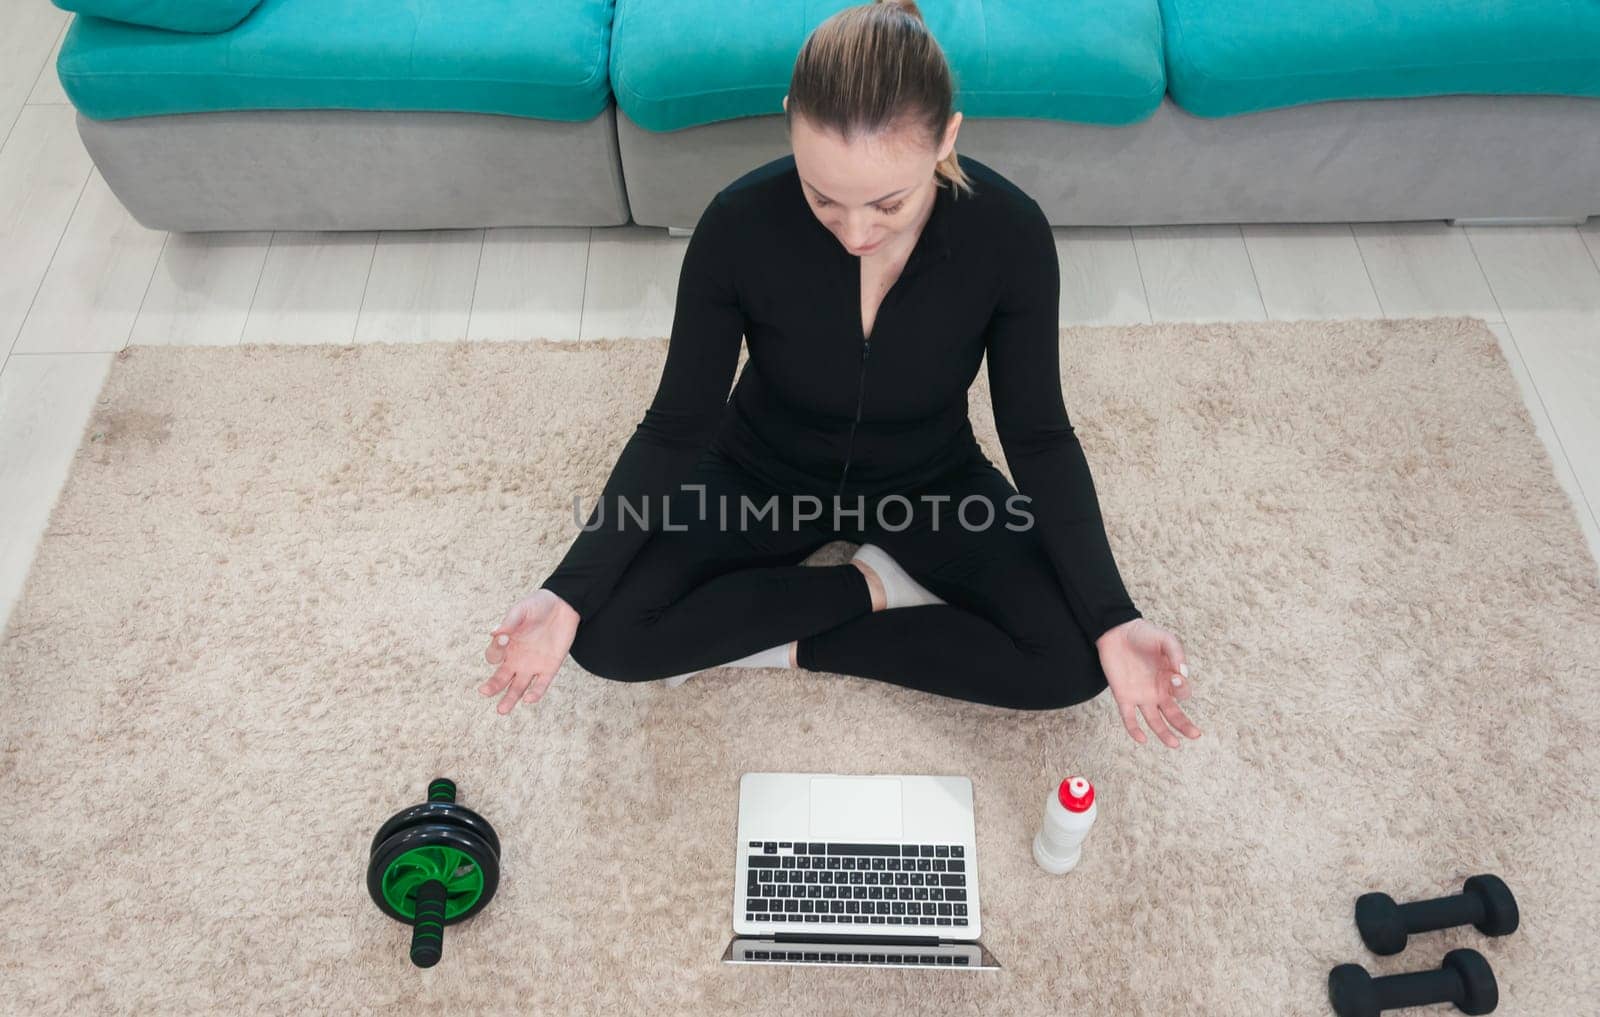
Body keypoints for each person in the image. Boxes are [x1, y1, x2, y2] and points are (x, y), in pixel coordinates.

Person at [481, 0, 1201, 749]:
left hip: (929, 484)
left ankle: (800, 641)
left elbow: (1039, 434)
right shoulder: (737, 224)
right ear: (792, 123)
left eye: (889, 202)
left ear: (946, 137)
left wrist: (1117, 614)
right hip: (761, 474)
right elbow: (677, 423)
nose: (856, 232)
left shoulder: (1009, 235)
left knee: (1074, 658)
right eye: (822, 196)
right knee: (605, 636)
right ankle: (871, 586)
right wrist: (565, 590)